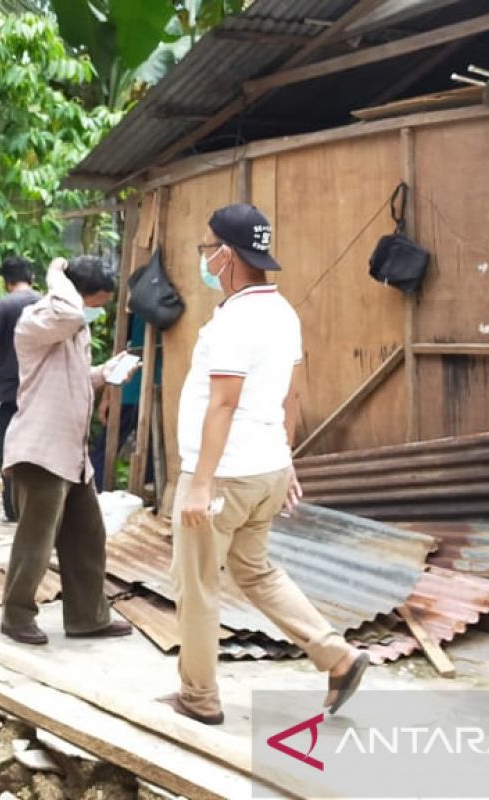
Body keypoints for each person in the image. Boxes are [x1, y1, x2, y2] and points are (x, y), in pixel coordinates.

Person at [166, 203, 369, 725]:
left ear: (227, 254)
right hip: (266, 469)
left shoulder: (236, 320)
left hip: (225, 474)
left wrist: (199, 483)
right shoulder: (283, 311)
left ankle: (199, 697)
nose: (204, 259)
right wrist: (285, 457)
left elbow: (224, 404)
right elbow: (292, 394)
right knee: (255, 569)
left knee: (197, 584)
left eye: (207, 248)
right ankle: (336, 655)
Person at [0, 255, 134, 645]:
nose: (95, 312)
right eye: (95, 303)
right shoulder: (40, 319)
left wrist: (106, 373)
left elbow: (72, 380)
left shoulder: (73, 326)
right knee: (35, 543)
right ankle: (16, 616)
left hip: (72, 455)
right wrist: (56, 274)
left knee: (87, 538)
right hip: (40, 451)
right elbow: (71, 313)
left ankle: (88, 619)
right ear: (76, 294)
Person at [0, 256, 40, 523]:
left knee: (8, 452)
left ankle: (13, 510)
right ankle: (37, 509)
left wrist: (2, 355)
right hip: (40, 392)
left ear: (6, 282)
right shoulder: (47, 304)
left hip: (9, 392)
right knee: (38, 452)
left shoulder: (4, 305)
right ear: (32, 278)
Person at [89, 313, 159, 490]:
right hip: (143, 389)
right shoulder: (170, 303)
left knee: (106, 451)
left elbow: (119, 348)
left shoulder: (136, 306)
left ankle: (93, 492)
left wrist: (108, 393)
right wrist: (108, 394)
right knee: (153, 452)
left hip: (130, 388)